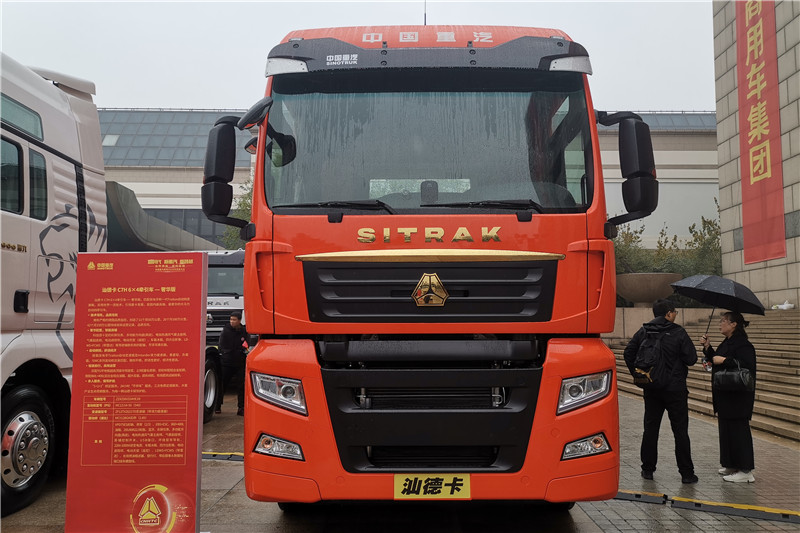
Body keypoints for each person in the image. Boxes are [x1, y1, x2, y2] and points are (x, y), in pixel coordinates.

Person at [624, 299, 699, 484]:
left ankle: (647, 469)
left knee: (650, 429)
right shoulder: (678, 332)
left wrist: (638, 373)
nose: (675, 315)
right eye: (674, 312)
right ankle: (687, 474)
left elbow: (628, 353)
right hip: (675, 389)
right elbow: (691, 359)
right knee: (680, 431)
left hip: (652, 388)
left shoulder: (644, 331)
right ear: (668, 314)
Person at [700, 311, 757, 483]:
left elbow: (747, 366)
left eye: (724, 321)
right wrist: (708, 347)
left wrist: (725, 361)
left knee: (739, 431)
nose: (720, 323)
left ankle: (746, 470)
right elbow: (715, 359)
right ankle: (731, 464)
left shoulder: (743, 345)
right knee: (727, 431)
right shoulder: (727, 342)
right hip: (725, 394)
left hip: (738, 396)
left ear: (734, 324)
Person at [216, 311, 249, 416]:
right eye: (231, 319)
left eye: (234, 320)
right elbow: (221, 345)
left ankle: (241, 408)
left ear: (239, 320)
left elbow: (247, 344)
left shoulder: (244, 331)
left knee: (241, 386)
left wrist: (243, 350)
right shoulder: (226, 331)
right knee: (223, 385)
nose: (232, 322)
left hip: (240, 362)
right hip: (227, 363)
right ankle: (217, 406)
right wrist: (225, 354)